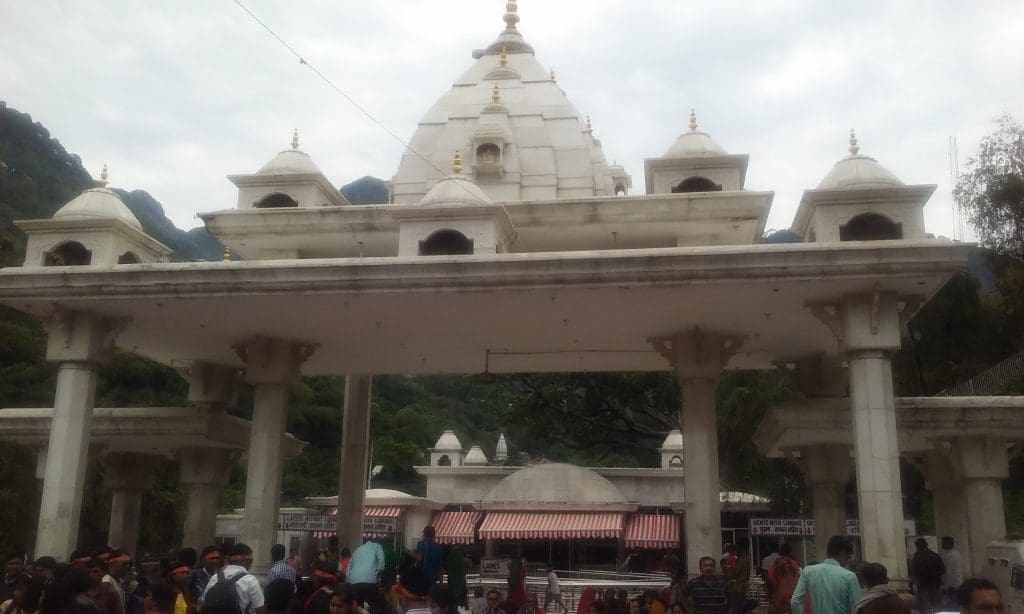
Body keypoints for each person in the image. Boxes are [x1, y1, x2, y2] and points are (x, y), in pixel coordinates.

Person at [789, 536, 860, 614]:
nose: (848, 561)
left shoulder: (808, 571)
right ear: (842, 553)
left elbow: (795, 602)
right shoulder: (849, 576)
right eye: (849, 556)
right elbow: (857, 608)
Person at [200, 542, 265, 614]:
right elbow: (260, 609)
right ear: (248, 561)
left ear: (229, 560)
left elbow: (202, 603)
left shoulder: (215, 577)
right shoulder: (250, 580)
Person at [347, 539, 385, 613]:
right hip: (370, 580)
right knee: (373, 604)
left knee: (358, 606)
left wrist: (349, 580)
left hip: (354, 581)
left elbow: (349, 566)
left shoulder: (357, 550)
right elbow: (381, 560)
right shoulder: (377, 546)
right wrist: (378, 573)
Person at [911, 537, 946, 614]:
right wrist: (934, 574)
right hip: (936, 583)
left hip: (923, 584)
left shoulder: (917, 556)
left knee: (926, 605)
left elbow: (915, 570)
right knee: (937, 604)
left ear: (917, 546)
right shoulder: (935, 555)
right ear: (926, 545)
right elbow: (943, 569)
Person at [766, 543, 800, 614]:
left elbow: (770, 578)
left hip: (779, 595)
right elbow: (797, 577)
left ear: (780, 551)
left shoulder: (776, 563)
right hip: (792, 595)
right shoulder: (793, 563)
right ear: (790, 552)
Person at [726, 539, 752, 614]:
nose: (736, 549)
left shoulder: (742, 559)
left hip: (738, 588)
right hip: (741, 587)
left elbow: (733, 573)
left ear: (741, 547)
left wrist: (728, 567)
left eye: (737, 547)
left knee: (736, 609)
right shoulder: (746, 557)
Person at [941, 537, 963, 605]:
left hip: (952, 585)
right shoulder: (957, 554)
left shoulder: (949, 556)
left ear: (948, 544)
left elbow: (949, 572)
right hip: (957, 582)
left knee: (953, 604)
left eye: (943, 543)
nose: (942, 544)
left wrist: (946, 586)